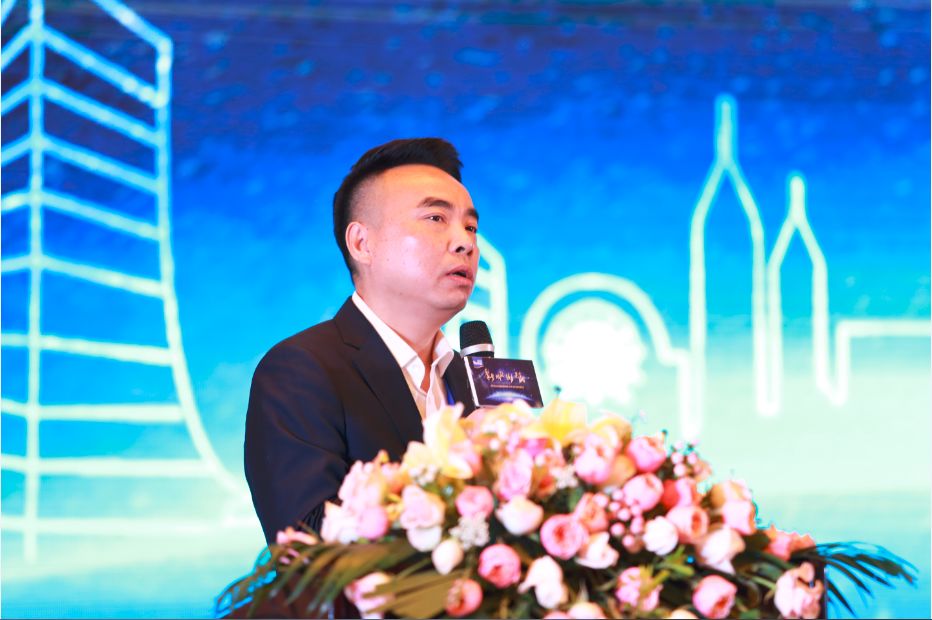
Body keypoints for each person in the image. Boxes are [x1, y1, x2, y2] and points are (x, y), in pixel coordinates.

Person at [244, 138, 481, 544]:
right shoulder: (301, 371)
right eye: (436, 218)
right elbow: (309, 545)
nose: (465, 242)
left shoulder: (475, 379)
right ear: (361, 243)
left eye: (470, 226)